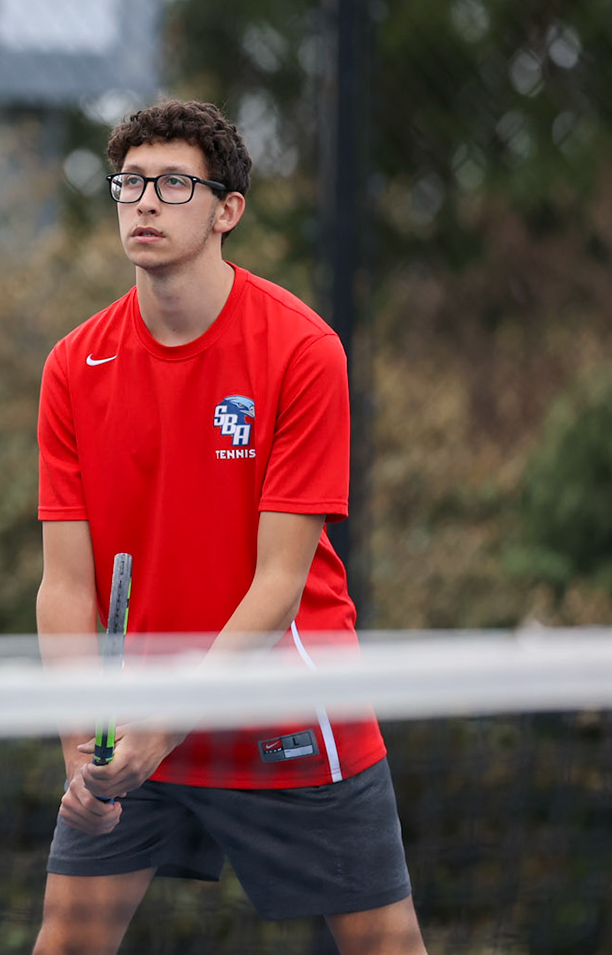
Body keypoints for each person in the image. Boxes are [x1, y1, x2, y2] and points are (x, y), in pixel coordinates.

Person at [31, 99, 425, 955]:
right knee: (66, 941)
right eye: (129, 183)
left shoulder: (302, 352)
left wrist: (164, 727)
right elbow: (66, 583)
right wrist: (80, 748)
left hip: (283, 712)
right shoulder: (74, 366)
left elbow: (280, 584)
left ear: (226, 211)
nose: (144, 202)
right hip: (133, 736)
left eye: (173, 184)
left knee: (384, 947)